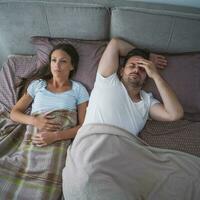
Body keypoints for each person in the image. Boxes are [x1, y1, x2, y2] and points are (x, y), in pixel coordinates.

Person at [83, 38, 184, 135]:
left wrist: (156, 76)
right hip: (91, 140)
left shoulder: (147, 101)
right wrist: (148, 56)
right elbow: (115, 44)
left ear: (146, 78)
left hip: (122, 147)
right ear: (122, 71)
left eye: (142, 69)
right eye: (132, 66)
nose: (136, 70)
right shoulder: (107, 80)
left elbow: (174, 114)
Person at [10, 43, 89, 146]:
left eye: (63, 61)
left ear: (72, 66)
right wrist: (34, 121)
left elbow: (83, 126)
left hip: (60, 140)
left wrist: (56, 136)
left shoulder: (79, 89)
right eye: (54, 60)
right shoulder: (38, 85)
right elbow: (14, 113)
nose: (57, 65)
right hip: (33, 137)